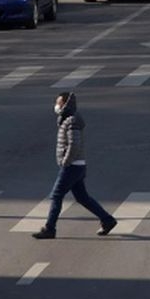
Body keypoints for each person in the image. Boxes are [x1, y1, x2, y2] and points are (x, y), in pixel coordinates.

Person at [32, 92, 117, 239]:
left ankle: (50, 228)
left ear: (65, 104)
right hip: (77, 166)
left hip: (72, 166)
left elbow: (74, 143)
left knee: (56, 196)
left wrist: (66, 161)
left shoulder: (72, 121)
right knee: (82, 198)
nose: (56, 106)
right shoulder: (67, 119)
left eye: (59, 103)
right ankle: (107, 220)